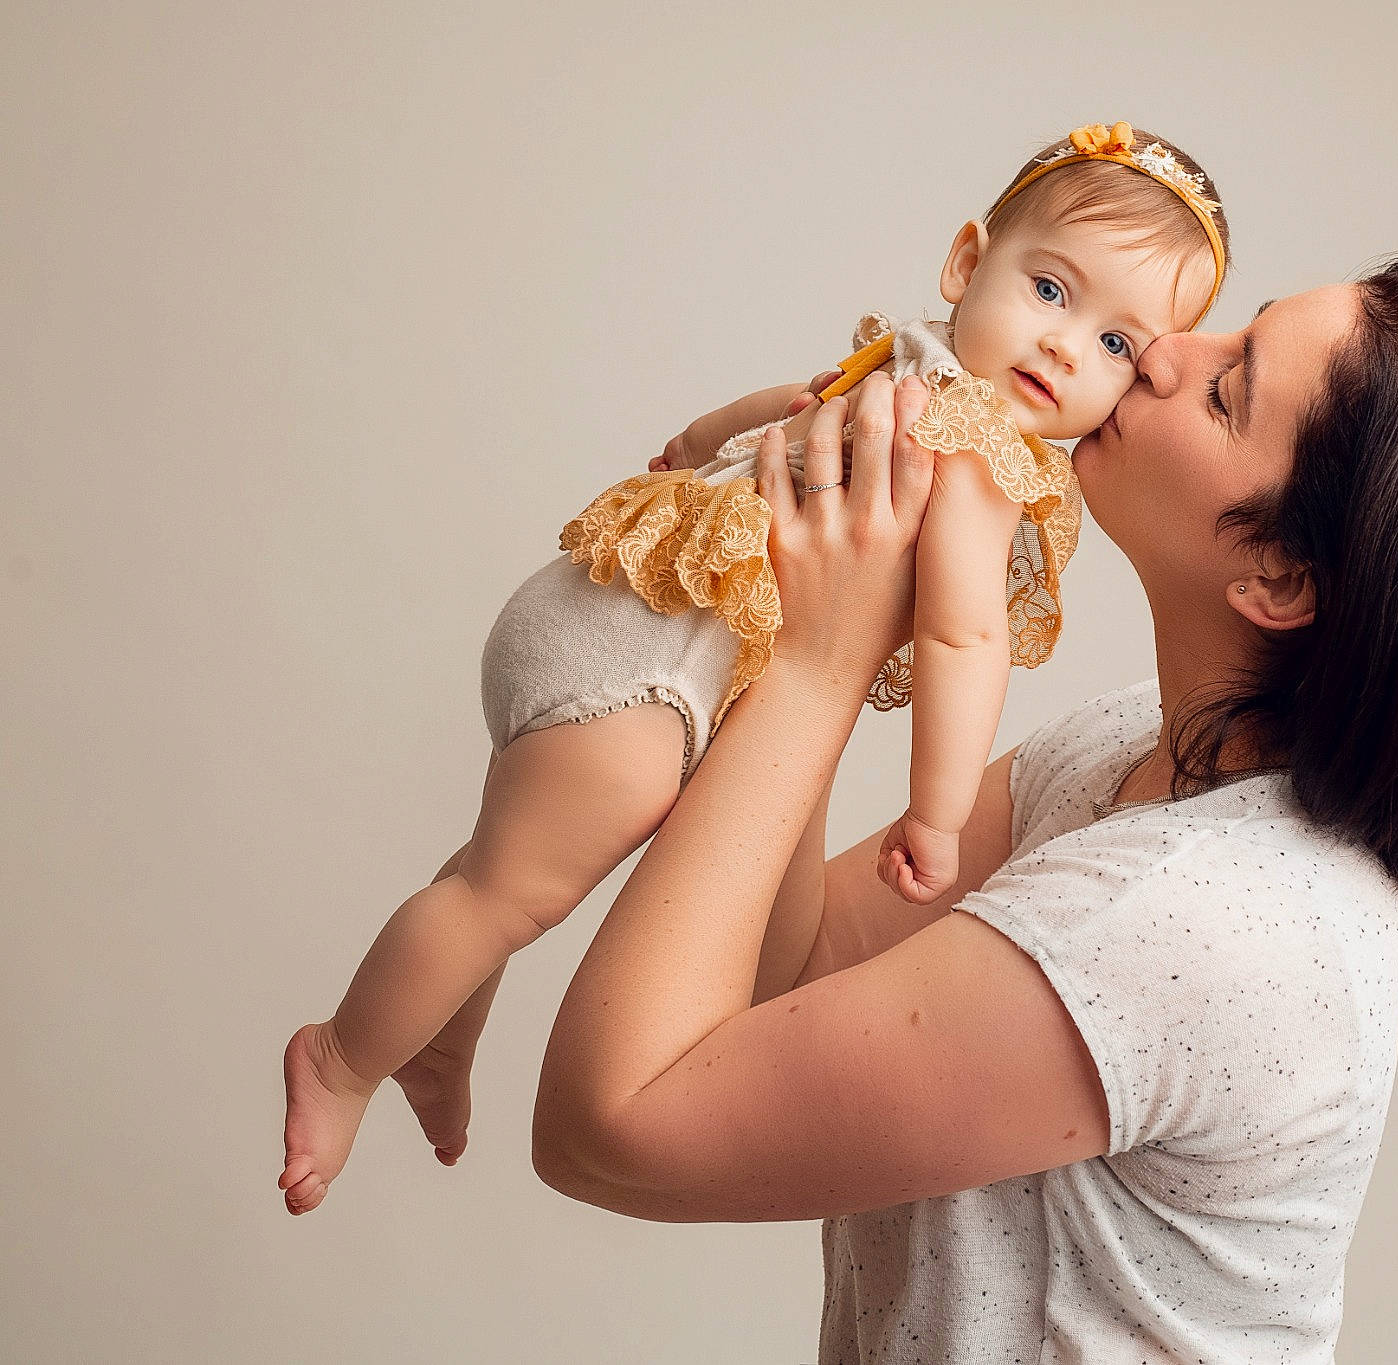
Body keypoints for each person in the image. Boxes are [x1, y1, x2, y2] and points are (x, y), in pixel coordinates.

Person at [530, 260, 1398, 1361]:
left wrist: (817, 664)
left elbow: (604, 1129)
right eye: (1236, 328)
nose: (1161, 349)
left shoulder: (1203, 918)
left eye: (1225, 389)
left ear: (1280, 574)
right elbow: (792, 974)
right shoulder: (1128, 751)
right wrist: (826, 587)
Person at [278, 122, 1232, 1215]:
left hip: (606, 598)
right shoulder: (975, 458)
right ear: (967, 263)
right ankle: (341, 1056)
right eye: (1053, 290)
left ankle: (434, 1037)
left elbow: (767, 414)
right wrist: (936, 814)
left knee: (513, 866)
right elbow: (966, 639)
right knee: (518, 883)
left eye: (1118, 346)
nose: (1066, 349)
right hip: (641, 655)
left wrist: (685, 454)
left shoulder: (898, 363)